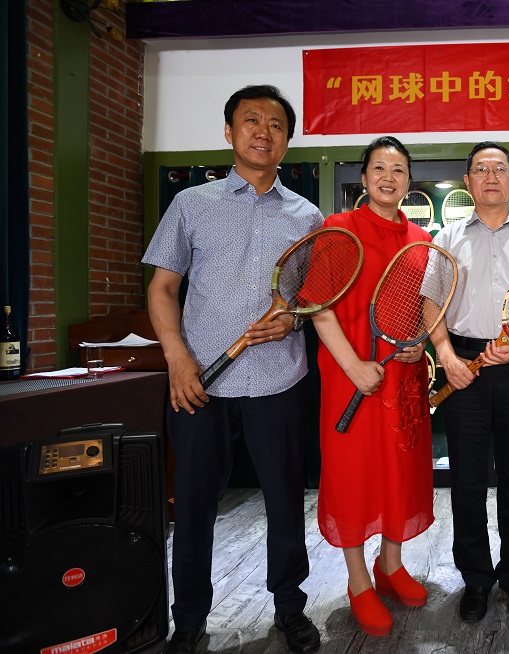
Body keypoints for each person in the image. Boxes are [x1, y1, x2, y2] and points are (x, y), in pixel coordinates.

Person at [144, 85, 322, 654]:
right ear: (229, 132)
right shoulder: (191, 204)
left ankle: (290, 608)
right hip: (200, 383)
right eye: (251, 121)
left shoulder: (308, 215)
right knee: (194, 506)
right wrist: (177, 357)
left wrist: (292, 318)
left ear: (287, 141)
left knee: (285, 500)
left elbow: (314, 298)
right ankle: (189, 620)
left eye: (275, 125)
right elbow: (162, 288)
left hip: (279, 380)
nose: (263, 132)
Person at [312, 136, 435, 637]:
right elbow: (319, 308)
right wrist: (355, 367)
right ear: (363, 178)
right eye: (379, 168)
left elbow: (421, 308)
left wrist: (418, 343)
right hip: (351, 378)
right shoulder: (338, 229)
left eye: (398, 169)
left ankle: (391, 564)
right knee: (354, 475)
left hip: (402, 378)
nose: (389, 177)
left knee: (399, 471)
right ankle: (359, 580)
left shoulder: (421, 239)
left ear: (409, 182)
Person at [429, 142, 509, 622]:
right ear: (468, 182)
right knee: (467, 480)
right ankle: (477, 578)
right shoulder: (447, 237)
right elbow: (431, 302)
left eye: (499, 168)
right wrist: (445, 356)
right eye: (481, 169)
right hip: (464, 368)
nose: (491, 176)